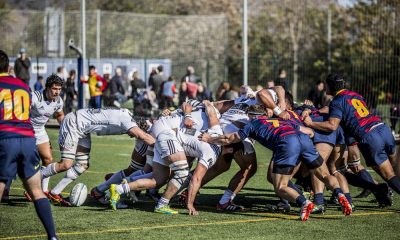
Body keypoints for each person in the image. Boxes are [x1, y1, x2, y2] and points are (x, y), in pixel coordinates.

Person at [304, 74, 400, 196]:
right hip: (382, 128)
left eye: (326, 85)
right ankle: (379, 193)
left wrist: (310, 123)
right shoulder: (355, 95)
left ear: (329, 86)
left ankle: (377, 190)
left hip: (369, 136)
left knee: (389, 175)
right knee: (396, 168)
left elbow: (332, 125)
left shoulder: (337, 101)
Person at [40, 108, 155, 206]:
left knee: (82, 166)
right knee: (66, 164)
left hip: (82, 129)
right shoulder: (129, 122)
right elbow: (143, 136)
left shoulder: (127, 114)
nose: (132, 137)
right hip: (74, 124)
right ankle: (33, 179)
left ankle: (55, 194)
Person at [0, 50, 58, 239]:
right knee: (36, 191)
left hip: (5, 138)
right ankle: (53, 236)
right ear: (8, 67)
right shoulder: (23, 86)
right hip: (27, 139)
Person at [23, 74, 65, 201]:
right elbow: (22, 112)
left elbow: (60, 115)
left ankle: (44, 190)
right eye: (54, 89)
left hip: (40, 131)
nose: (57, 92)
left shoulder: (58, 101)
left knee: (48, 159)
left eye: (59, 89)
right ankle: (28, 189)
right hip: (27, 130)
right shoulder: (35, 97)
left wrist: (66, 127)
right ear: (47, 88)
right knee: (27, 162)